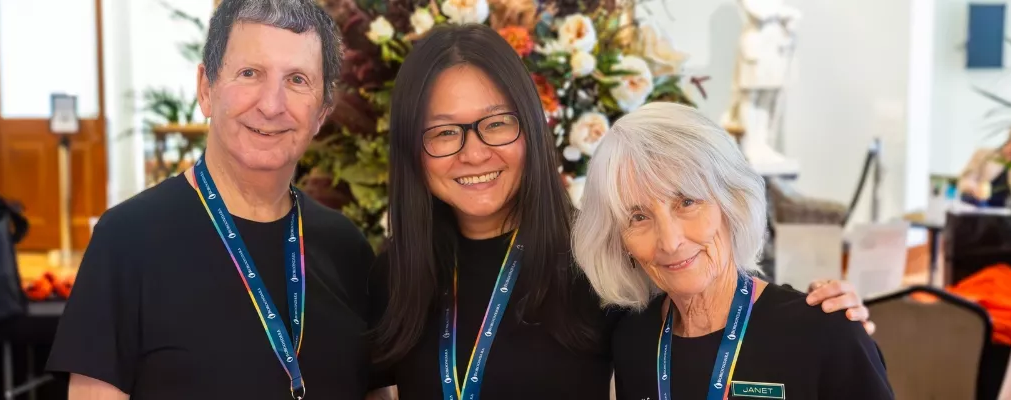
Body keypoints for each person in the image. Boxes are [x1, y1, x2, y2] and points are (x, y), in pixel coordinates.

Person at [368, 24, 871, 400]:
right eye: (443, 131)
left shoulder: (598, 262)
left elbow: (713, 309)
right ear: (413, 148)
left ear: (531, 128)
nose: (473, 152)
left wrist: (831, 327)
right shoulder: (396, 272)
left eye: (496, 123)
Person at [47, 1, 377, 399]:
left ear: (322, 111)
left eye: (297, 80)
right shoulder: (127, 241)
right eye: (249, 73)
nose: (271, 104)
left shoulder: (347, 248)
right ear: (206, 88)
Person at [573, 103, 894, 399]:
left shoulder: (824, 333)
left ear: (732, 202)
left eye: (687, 202)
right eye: (639, 217)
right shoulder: (633, 339)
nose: (670, 241)